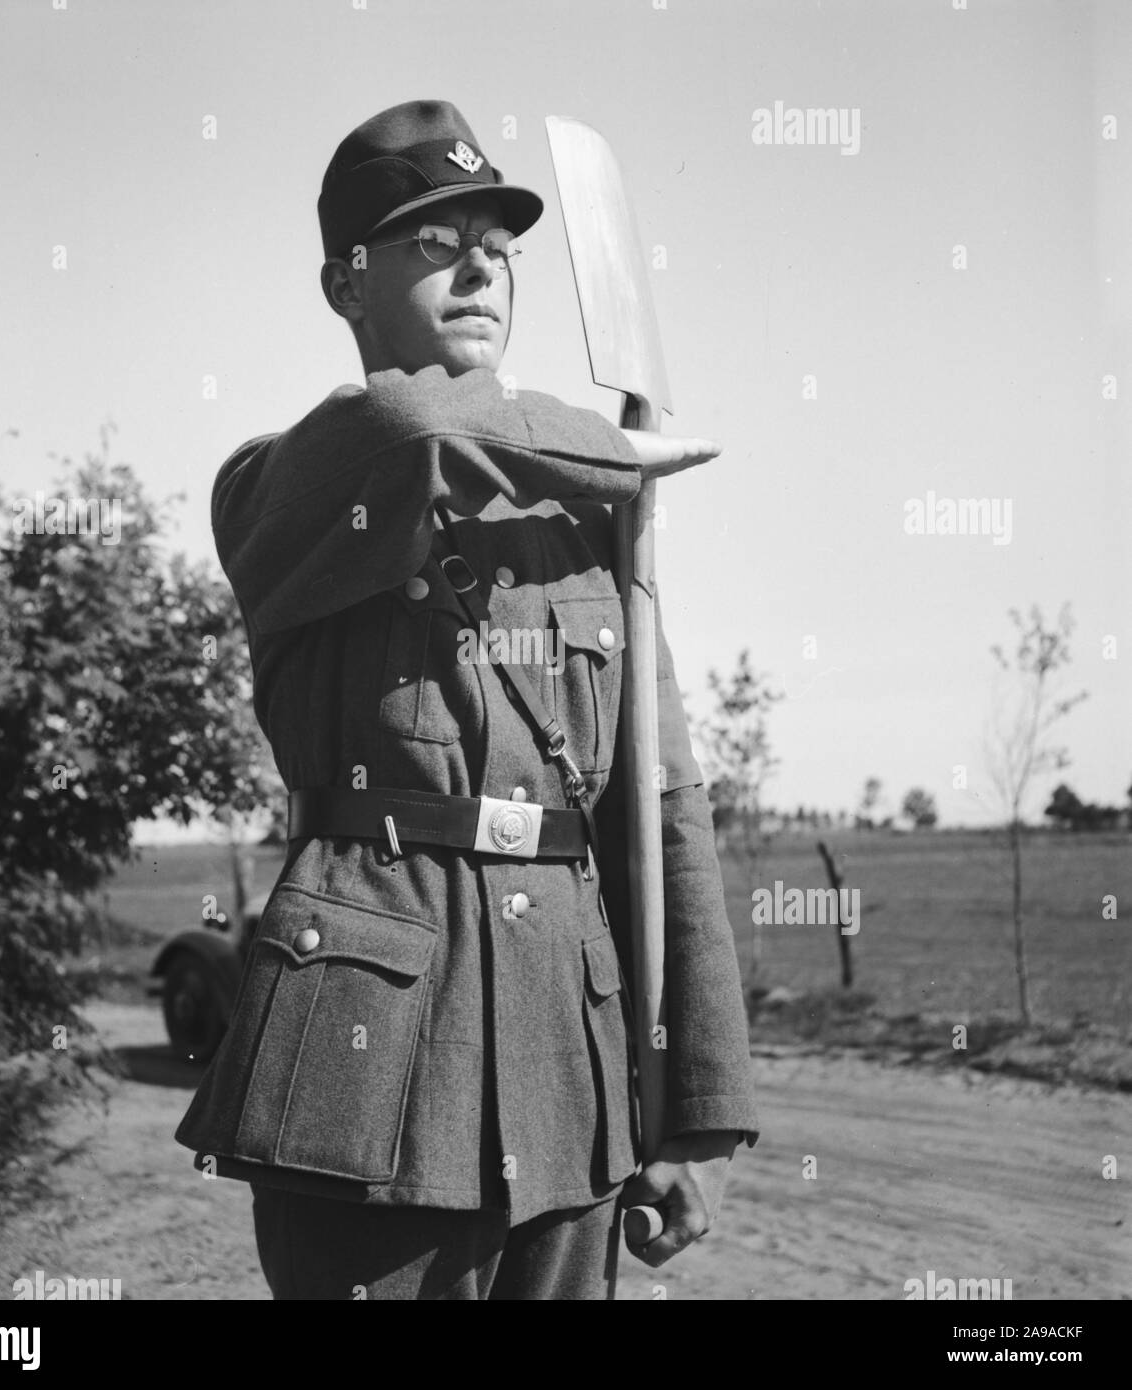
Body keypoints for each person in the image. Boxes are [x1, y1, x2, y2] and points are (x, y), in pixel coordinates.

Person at [175, 99, 759, 1301]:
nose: (481, 262)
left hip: (571, 1073)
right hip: (367, 1077)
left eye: (497, 241)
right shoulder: (278, 487)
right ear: (344, 285)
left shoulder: (587, 525)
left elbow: (662, 806)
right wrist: (618, 446)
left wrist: (694, 1104)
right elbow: (417, 421)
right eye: (432, 241)